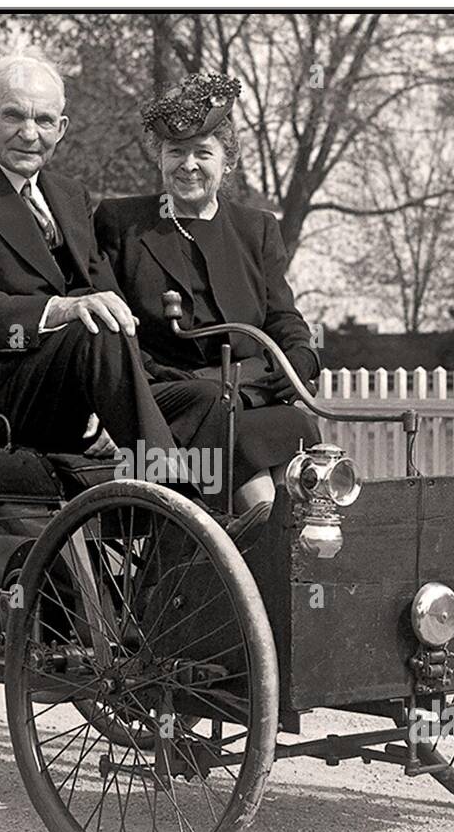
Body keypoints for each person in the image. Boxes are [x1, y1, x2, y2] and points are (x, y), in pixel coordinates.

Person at [0, 50, 224, 478]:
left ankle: (164, 536)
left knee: (203, 397)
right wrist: (60, 309)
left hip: (75, 381)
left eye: (43, 121)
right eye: (13, 116)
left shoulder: (69, 196)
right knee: (88, 326)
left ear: (61, 129)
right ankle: (179, 506)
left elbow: (105, 295)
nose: (28, 133)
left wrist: (134, 386)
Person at [95, 72, 322, 519]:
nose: (189, 165)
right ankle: (263, 553)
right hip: (168, 402)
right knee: (235, 435)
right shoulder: (121, 224)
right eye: (175, 152)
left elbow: (282, 317)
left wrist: (301, 355)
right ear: (159, 159)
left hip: (249, 392)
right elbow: (113, 328)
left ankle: (282, 554)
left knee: (295, 426)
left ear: (228, 162)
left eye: (204, 152)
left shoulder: (255, 228)